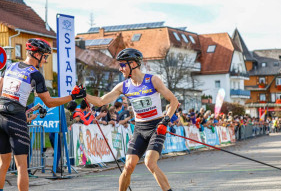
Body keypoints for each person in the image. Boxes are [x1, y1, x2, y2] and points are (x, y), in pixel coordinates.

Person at [0, 38, 86, 191]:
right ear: (37, 54)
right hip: (16, 119)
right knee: (21, 167)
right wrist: (73, 96)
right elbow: (50, 102)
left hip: (1, 116)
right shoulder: (35, 74)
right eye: (45, 56)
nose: (45, 60)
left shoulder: (10, 66)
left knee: (3, 163)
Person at [86, 48, 178, 191]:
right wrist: (82, 94)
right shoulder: (124, 86)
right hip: (140, 129)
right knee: (128, 166)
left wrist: (165, 121)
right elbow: (100, 101)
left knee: (150, 163)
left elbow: (173, 101)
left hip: (156, 126)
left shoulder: (152, 80)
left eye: (123, 64)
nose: (120, 68)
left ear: (133, 64)